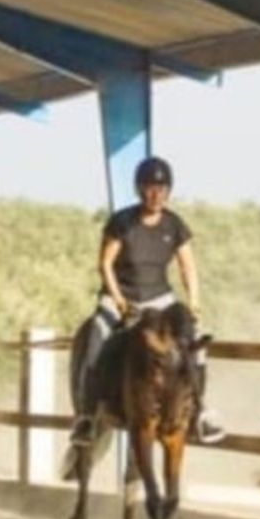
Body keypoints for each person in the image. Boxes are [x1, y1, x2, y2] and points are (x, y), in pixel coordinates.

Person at [91, 155, 225, 444]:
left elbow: (187, 266)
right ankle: (87, 415)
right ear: (140, 190)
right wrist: (119, 301)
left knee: (195, 342)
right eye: (151, 188)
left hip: (160, 299)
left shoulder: (174, 225)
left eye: (162, 189)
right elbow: (105, 264)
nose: (156, 195)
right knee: (96, 337)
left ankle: (201, 409)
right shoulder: (122, 222)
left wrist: (194, 301)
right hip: (121, 296)